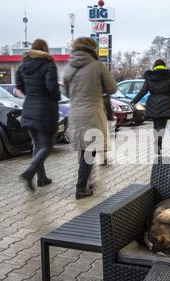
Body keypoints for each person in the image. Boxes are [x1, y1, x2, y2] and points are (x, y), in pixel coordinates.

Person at [63, 37, 117, 200]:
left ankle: (86, 182)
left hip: (75, 113)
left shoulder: (68, 67)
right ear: (92, 49)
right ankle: (81, 187)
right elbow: (112, 88)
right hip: (92, 112)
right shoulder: (97, 65)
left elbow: (65, 92)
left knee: (84, 149)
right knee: (90, 150)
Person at [16, 39, 60, 192]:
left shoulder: (22, 65)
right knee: (47, 145)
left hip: (28, 108)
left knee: (37, 144)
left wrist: (33, 94)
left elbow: (19, 86)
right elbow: (52, 88)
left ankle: (41, 178)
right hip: (44, 111)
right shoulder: (48, 64)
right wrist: (56, 97)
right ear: (45, 49)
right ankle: (30, 172)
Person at [131, 59, 170, 155]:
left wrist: (134, 100)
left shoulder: (150, 77)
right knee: (162, 125)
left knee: (155, 124)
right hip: (165, 103)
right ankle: (158, 143)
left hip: (152, 103)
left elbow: (143, 91)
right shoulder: (169, 77)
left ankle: (157, 143)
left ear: (155, 66)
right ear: (164, 66)